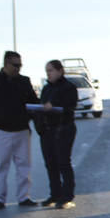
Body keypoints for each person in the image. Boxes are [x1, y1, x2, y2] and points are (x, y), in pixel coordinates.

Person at [0, 50, 38, 210]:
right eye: (15, 65)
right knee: (1, 167)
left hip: (21, 130)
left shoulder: (24, 81)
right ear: (6, 64)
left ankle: (24, 197)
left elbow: (33, 102)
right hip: (1, 130)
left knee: (24, 166)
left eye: (20, 65)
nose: (18, 68)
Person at [36, 60, 79, 209]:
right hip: (47, 130)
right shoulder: (46, 88)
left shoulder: (68, 87)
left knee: (63, 162)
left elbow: (70, 106)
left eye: (51, 70)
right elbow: (41, 105)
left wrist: (53, 106)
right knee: (50, 164)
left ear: (60, 71)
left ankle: (67, 196)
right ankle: (55, 194)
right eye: (47, 71)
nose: (48, 74)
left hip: (63, 129)